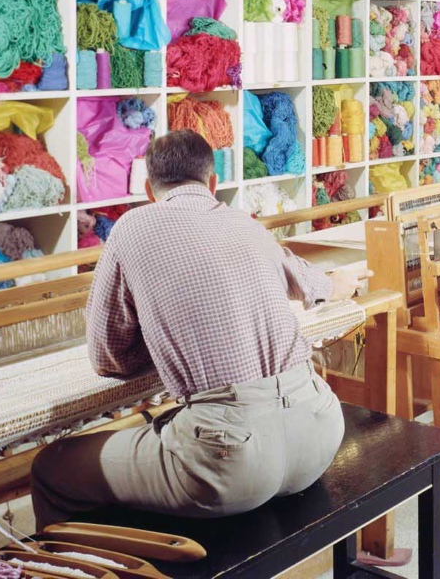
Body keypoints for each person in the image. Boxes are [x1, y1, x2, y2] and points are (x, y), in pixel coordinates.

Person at [31, 130, 370, 528]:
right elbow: (316, 285)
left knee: (51, 467)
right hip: (319, 429)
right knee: (166, 432)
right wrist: (340, 282)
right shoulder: (246, 225)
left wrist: (166, 340)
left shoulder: (131, 228)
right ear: (213, 183)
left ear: (148, 189)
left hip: (232, 460)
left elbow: (108, 358)